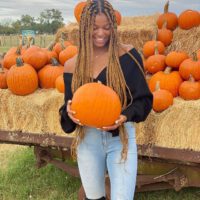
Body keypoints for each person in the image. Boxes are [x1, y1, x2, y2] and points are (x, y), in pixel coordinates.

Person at [59, 0, 153, 199]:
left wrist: (125, 116)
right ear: (84, 28)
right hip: (88, 140)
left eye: (106, 27)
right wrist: (68, 113)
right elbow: (67, 109)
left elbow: (144, 101)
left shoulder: (128, 56)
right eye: (94, 28)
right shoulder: (72, 65)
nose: (101, 33)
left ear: (114, 27)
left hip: (120, 139)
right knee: (94, 197)